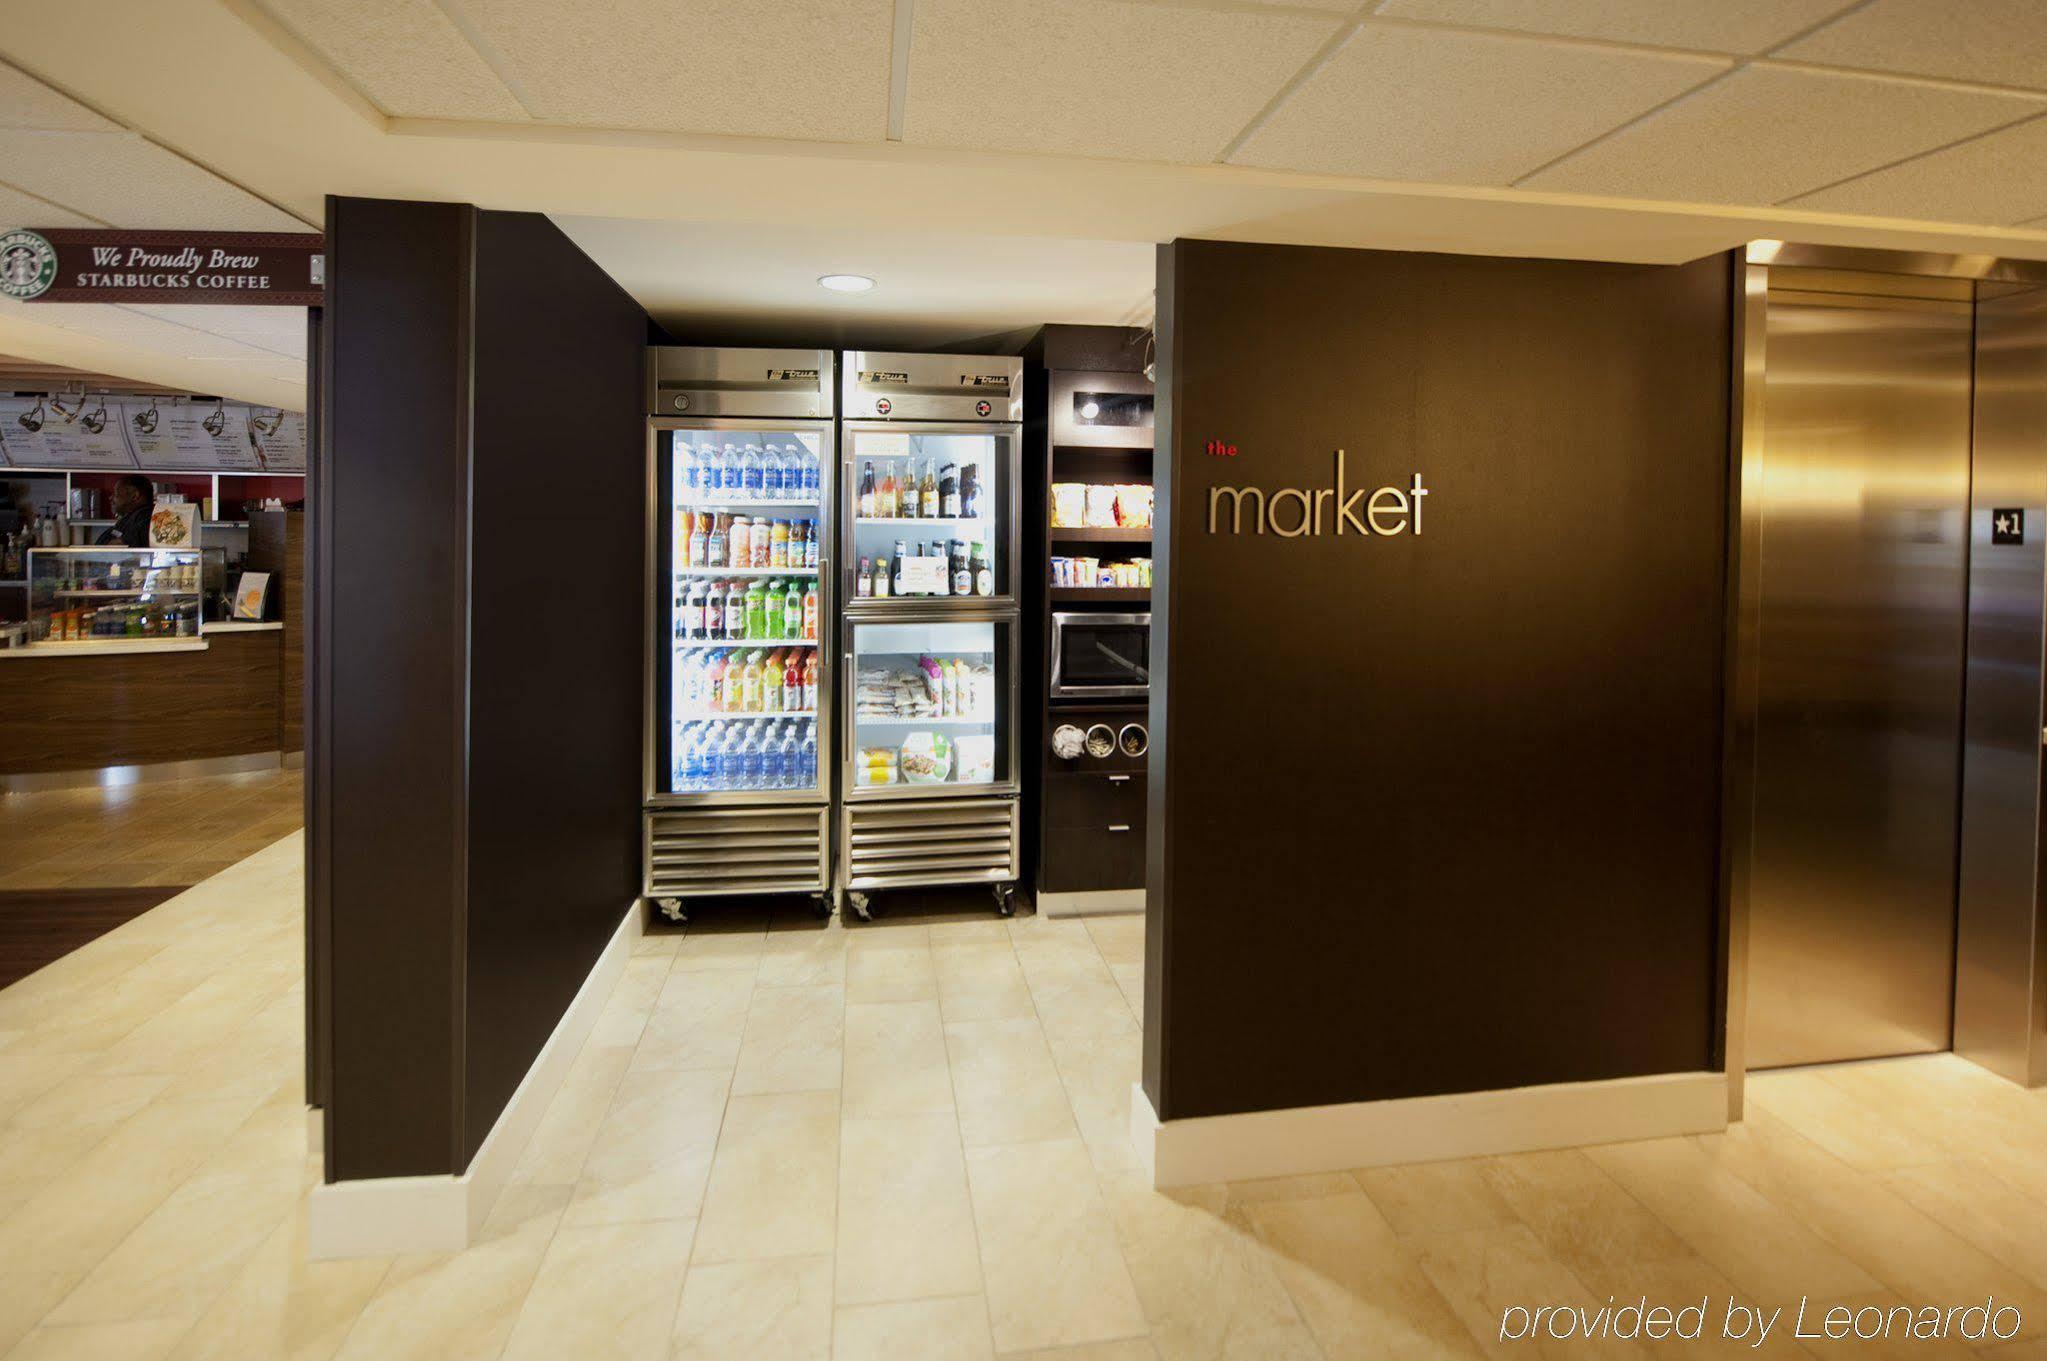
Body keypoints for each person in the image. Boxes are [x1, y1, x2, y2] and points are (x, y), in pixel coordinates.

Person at [98, 475, 154, 548]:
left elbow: (125, 546)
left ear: (135, 496)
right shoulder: (131, 518)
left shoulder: (145, 519)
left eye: (116, 493)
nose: (111, 498)